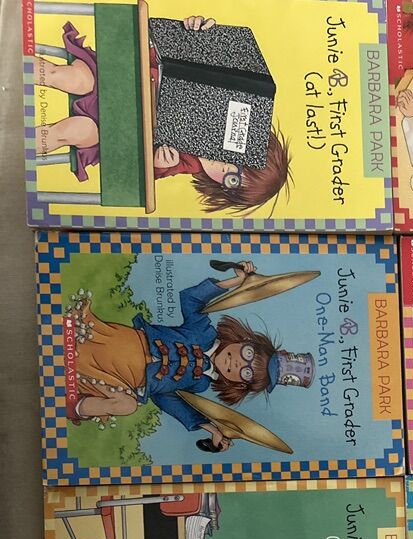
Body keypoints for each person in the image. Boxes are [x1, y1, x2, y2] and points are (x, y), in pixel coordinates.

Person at [34, 16, 291, 216]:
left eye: (232, 179)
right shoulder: (227, 96)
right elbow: (171, 44)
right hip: (118, 79)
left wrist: (156, 162)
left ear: (223, 188)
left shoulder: (188, 163)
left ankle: (24, 144)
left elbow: (142, 174)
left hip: (112, 127)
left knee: (77, 131)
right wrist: (199, 32)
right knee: (75, 79)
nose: (226, 167)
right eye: (238, 162)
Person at [67, 260, 314, 451]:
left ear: (240, 384)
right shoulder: (204, 332)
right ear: (245, 341)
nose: (239, 362)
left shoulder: (199, 384)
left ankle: (73, 405)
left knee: (128, 405)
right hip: (125, 341)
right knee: (79, 343)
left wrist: (212, 429)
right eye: (249, 354)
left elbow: (168, 400)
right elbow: (190, 299)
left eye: (247, 372)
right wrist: (235, 282)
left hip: (124, 378)